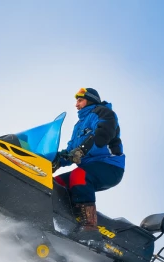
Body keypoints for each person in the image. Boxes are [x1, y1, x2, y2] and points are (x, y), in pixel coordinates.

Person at [52, 88, 125, 231]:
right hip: (89, 167)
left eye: (80, 100)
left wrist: (82, 150)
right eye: (76, 101)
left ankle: (89, 226)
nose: (76, 105)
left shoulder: (104, 113)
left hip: (109, 166)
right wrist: (54, 161)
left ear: (90, 100)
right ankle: (62, 219)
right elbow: (70, 151)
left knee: (79, 174)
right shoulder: (79, 125)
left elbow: (103, 135)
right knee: (56, 183)